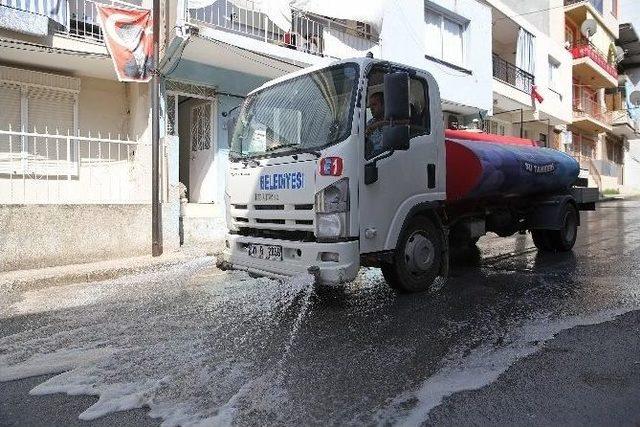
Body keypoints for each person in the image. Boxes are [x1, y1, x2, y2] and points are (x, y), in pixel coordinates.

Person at [366, 91, 385, 156]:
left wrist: (379, 124)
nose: (371, 108)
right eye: (370, 106)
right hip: (371, 159)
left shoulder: (393, 121)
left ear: (384, 104)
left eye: (374, 104)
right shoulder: (370, 123)